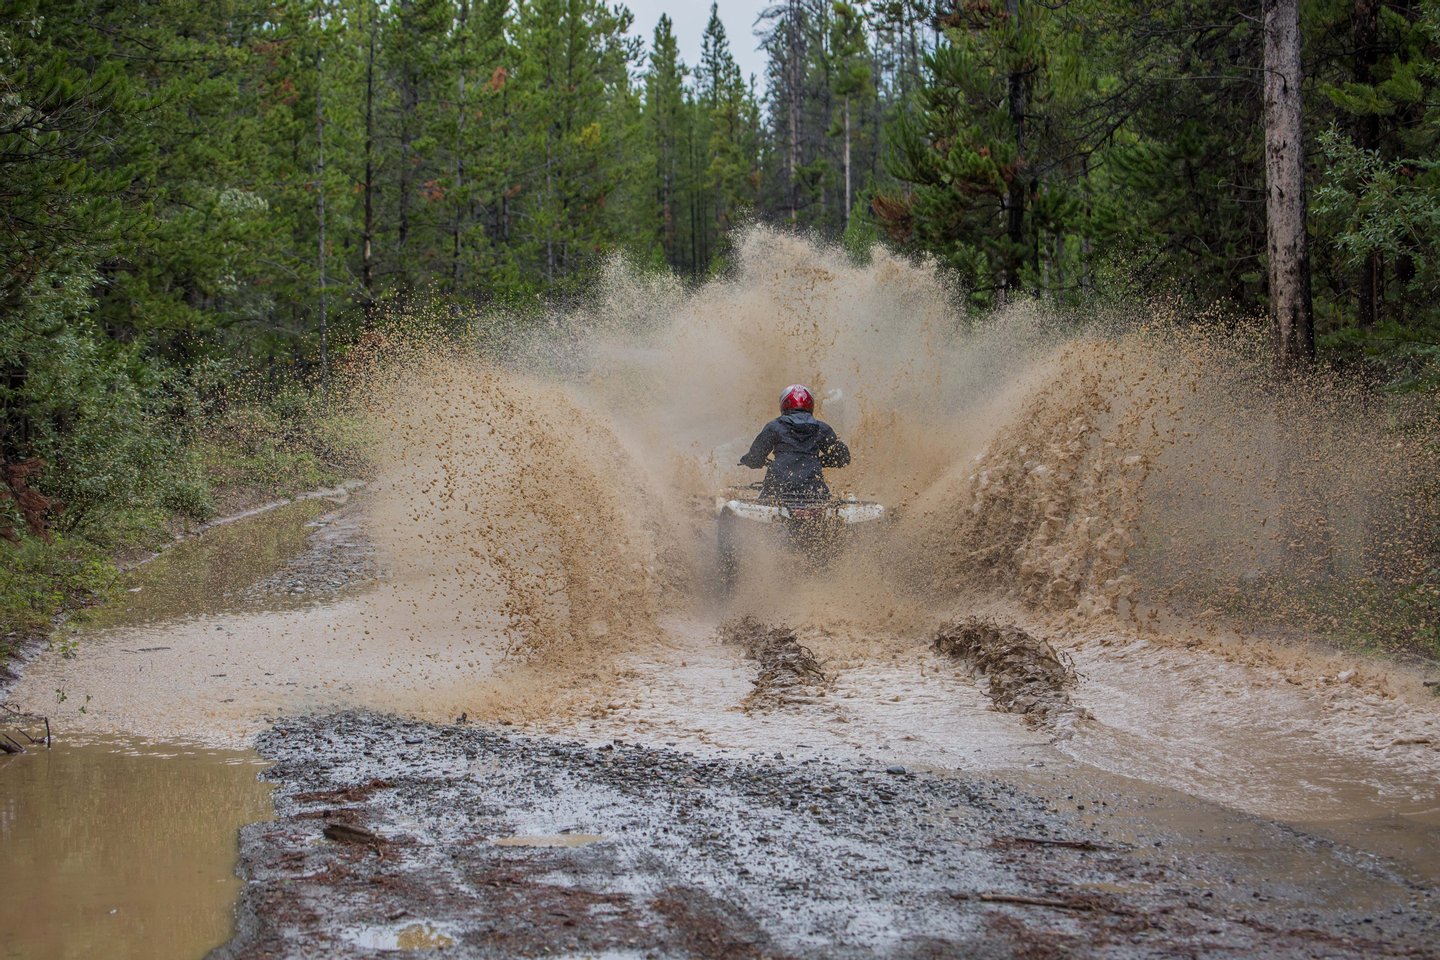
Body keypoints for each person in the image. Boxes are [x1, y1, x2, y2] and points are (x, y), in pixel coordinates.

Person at [739, 384, 851, 503]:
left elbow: (755, 458)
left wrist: (749, 460)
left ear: (784, 404)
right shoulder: (822, 429)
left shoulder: (774, 427)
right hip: (814, 492)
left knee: (763, 504)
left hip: (777, 490)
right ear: (811, 405)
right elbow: (843, 457)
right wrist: (818, 462)